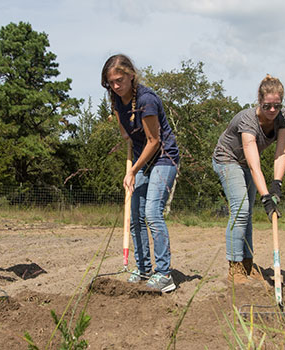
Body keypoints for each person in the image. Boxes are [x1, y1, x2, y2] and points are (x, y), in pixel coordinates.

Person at [101, 54, 180, 293]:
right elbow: (122, 122)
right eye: (111, 82)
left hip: (163, 157)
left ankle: (165, 273)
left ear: (131, 75)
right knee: (134, 215)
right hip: (141, 158)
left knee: (152, 212)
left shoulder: (147, 100)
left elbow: (154, 140)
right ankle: (144, 268)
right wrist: (125, 133)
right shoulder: (115, 99)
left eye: (119, 80)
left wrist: (133, 170)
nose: (116, 85)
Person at [212, 75, 285, 285]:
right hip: (227, 158)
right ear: (259, 101)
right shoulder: (248, 120)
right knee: (241, 207)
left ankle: (247, 264)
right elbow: (255, 163)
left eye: (277, 105)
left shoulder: (284, 118)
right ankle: (234, 267)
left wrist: (277, 185)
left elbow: (281, 152)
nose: (272, 111)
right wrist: (266, 197)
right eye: (267, 106)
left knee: (247, 213)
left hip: (246, 164)